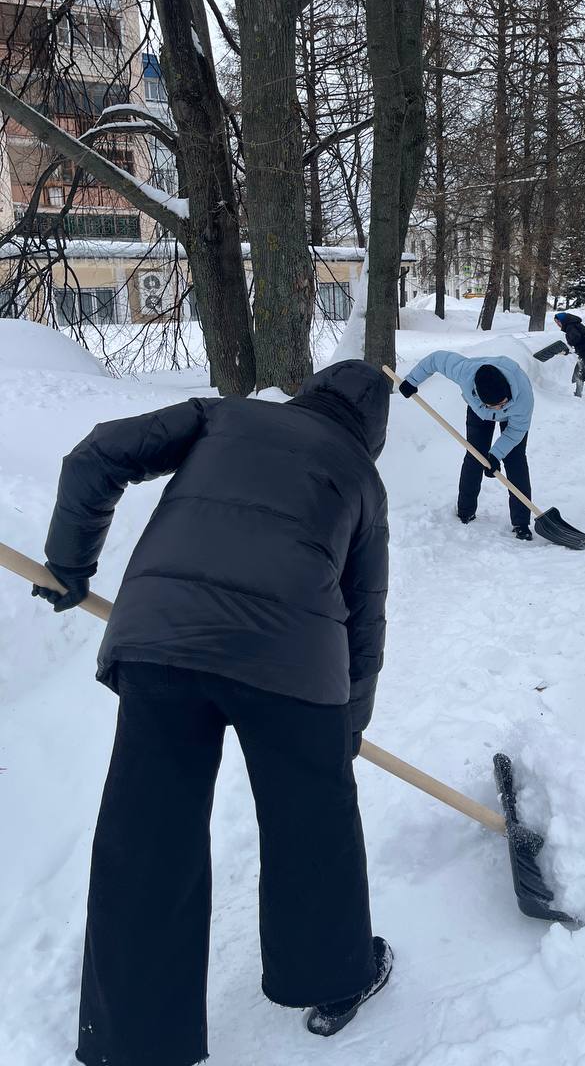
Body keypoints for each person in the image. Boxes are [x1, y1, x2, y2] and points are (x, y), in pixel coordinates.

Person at [31, 360, 394, 1065]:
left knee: (148, 839)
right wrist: (344, 731)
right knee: (311, 826)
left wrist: (70, 563)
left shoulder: (222, 414)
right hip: (293, 664)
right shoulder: (359, 478)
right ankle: (333, 979)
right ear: (371, 430)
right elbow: (364, 622)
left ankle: (132, 1037)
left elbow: (97, 453)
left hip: (163, 643)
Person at [398, 352, 534, 541]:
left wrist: (495, 455)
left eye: (500, 404)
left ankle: (521, 523)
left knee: (515, 460)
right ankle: (465, 511)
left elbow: (515, 432)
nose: (496, 410)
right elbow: (436, 359)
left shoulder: (522, 398)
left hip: (513, 416)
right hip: (478, 412)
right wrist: (412, 380)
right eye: (491, 405)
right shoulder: (464, 371)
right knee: (474, 456)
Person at [554, 312, 585, 400]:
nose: (557, 324)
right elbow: (577, 340)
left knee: (581, 372)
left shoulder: (570, 326)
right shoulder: (572, 325)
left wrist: (568, 348)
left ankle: (581, 394)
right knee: (582, 372)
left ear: (563, 320)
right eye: (556, 323)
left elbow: (576, 338)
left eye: (558, 322)